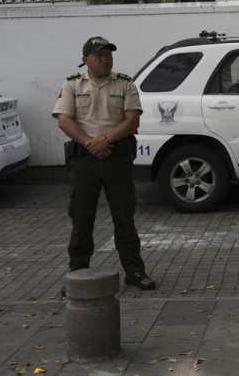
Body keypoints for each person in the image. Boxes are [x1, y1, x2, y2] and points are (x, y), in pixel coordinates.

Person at [52, 36, 156, 292]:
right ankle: (78, 273)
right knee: (81, 217)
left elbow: (133, 121)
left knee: (124, 216)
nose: (105, 59)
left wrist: (105, 140)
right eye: (98, 55)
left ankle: (134, 270)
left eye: (108, 54)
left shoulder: (125, 84)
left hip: (116, 158)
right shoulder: (72, 85)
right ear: (85, 60)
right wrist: (90, 143)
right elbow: (64, 120)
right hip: (84, 161)